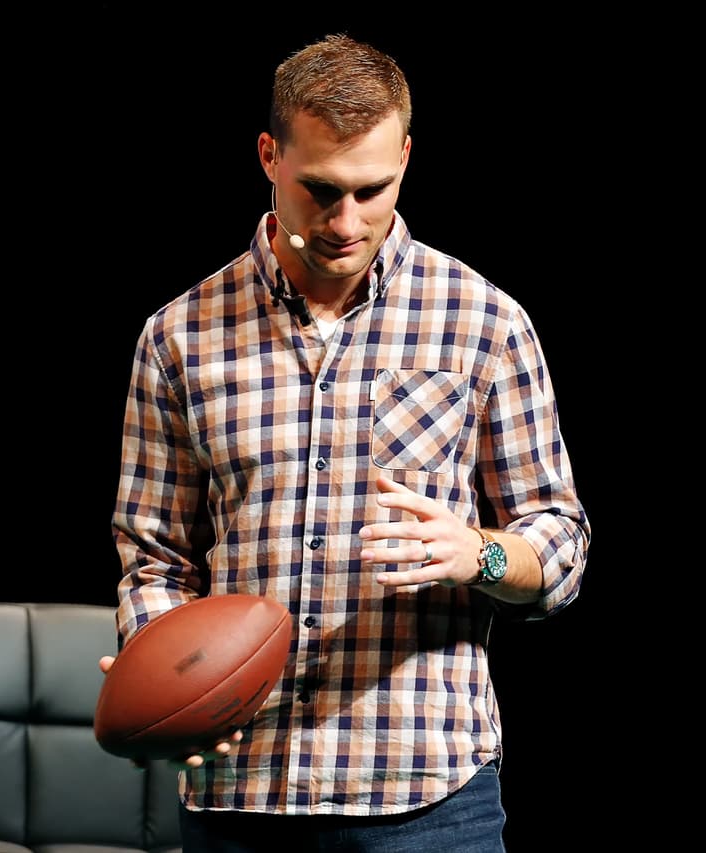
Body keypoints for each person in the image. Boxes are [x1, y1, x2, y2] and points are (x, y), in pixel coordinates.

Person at [100, 33, 590, 852]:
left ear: (405, 156)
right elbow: (155, 557)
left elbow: (561, 539)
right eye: (320, 189)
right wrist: (175, 678)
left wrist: (482, 553)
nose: (345, 221)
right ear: (268, 155)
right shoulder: (179, 337)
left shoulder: (484, 323)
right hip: (241, 797)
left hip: (428, 804)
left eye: (374, 190)